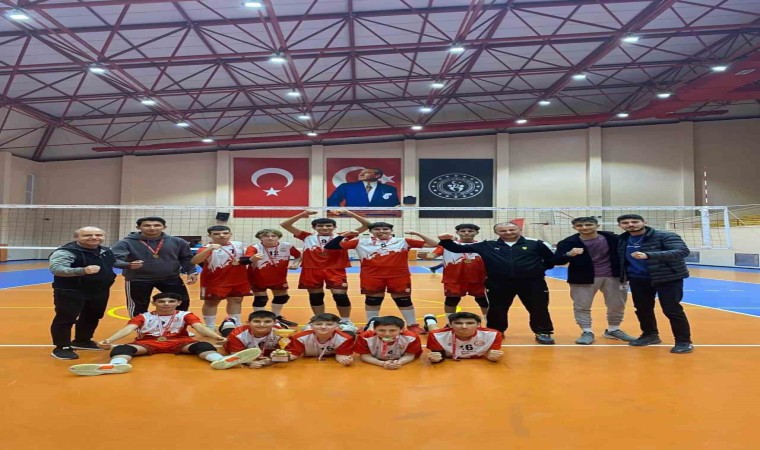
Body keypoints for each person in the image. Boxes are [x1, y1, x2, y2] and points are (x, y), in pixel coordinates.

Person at [68, 293, 261, 376]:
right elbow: (128, 330)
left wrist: (216, 336)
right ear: (155, 304)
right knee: (123, 349)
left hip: (180, 342)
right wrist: (109, 340)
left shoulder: (185, 315)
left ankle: (221, 361)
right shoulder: (143, 316)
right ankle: (115, 366)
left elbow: (198, 327)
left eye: (171, 301)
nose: (166, 304)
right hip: (148, 343)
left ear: (177, 303)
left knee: (203, 346)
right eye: (162, 302)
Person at [438, 221, 556, 344]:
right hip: (498, 283)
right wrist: (445, 240)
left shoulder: (535, 244)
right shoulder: (488, 245)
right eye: (503, 231)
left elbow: (551, 259)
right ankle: (496, 332)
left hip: (532, 282)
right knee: (497, 309)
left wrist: (538, 269)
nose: (508, 232)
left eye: (512, 230)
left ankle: (543, 332)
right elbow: (458, 249)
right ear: (496, 232)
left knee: (538, 307)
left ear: (519, 230)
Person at [324, 223, 427, 334]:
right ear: (370, 231)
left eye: (385, 229)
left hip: (398, 276)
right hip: (371, 276)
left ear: (391, 231)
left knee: (404, 301)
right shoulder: (360, 242)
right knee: (373, 301)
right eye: (377, 229)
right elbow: (330, 246)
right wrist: (345, 235)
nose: (381, 231)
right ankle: (371, 325)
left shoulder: (402, 241)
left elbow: (434, 244)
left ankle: (412, 325)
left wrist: (417, 233)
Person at [48, 227, 131, 360]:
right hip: (71, 291)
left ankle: (82, 341)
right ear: (76, 237)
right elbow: (57, 269)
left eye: (98, 235)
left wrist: (128, 265)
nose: (94, 237)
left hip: (99, 290)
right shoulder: (66, 252)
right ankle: (61, 347)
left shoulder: (105, 251)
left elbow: (112, 262)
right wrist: (83, 270)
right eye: (87, 235)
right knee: (65, 318)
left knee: (93, 316)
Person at [616, 214, 693, 354]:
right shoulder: (622, 239)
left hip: (667, 277)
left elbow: (682, 251)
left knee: (672, 309)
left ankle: (684, 341)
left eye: (634, 221)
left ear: (644, 222)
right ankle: (650, 335)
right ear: (620, 225)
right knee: (642, 309)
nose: (630, 225)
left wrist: (649, 255)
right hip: (638, 278)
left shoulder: (665, 235)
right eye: (625, 223)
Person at [279, 209, 370, 323]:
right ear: (314, 227)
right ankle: (319, 320)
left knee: (340, 296)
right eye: (320, 226)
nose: (325, 228)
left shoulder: (344, 236)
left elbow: (367, 225)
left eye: (328, 225)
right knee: (316, 296)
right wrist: (303, 214)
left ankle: (346, 321)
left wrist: (349, 213)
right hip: (311, 269)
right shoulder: (306, 236)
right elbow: (285, 225)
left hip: (335, 269)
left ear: (334, 227)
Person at [555, 217, 634, 345]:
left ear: (597, 226)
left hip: (614, 276)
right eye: (580, 225)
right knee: (582, 306)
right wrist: (569, 254)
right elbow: (557, 260)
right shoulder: (568, 243)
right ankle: (587, 331)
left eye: (588, 224)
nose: (584, 227)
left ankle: (613, 329)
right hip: (582, 277)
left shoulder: (613, 238)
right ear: (574, 228)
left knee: (617, 305)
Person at [111, 217, 197, 317]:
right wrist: (128, 264)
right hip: (138, 279)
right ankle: (140, 326)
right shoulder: (126, 242)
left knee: (182, 302)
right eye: (147, 225)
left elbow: (186, 258)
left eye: (157, 225)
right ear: (138, 227)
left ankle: (175, 325)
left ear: (164, 227)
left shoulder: (178, 241)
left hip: (170, 278)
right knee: (138, 307)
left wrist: (191, 271)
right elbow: (113, 259)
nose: (152, 228)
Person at [190, 225, 251, 328]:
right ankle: (210, 326)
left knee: (236, 300)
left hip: (238, 279)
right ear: (210, 236)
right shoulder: (206, 248)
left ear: (230, 234)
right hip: (215, 281)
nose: (222, 235)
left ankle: (236, 324)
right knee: (211, 302)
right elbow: (194, 261)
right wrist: (209, 249)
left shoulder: (239, 245)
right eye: (216, 234)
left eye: (225, 233)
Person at [424, 224, 488, 317]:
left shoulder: (485, 245)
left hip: (479, 279)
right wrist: (426, 256)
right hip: (454, 279)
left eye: (470, 231)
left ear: (477, 232)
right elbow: (432, 256)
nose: (466, 233)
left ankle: (489, 321)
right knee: (451, 301)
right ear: (457, 232)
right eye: (463, 231)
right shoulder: (447, 245)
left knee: (483, 301)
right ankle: (449, 322)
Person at [244, 229, 301, 327]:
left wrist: (296, 264)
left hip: (278, 277)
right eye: (266, 236)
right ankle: (260, 319)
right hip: (258, 277)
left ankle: (276, 318)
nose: (270, 238)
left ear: (278, 237)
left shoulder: (287, 246)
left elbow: (299, 256)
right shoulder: (254, 247)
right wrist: (252, 259)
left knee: (282, 297)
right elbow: (245, 259)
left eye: (273, 236)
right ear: (260, 238)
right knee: (261, 299)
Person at [426, 312, 503, 363]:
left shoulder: (494, 335)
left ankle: (430, 320)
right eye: (458, 323)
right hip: (442, 332)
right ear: (450, 325)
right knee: (434, 330)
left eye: (470, 323)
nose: (464, 326)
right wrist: (435, 357)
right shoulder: (435, 335)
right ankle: (430, 321)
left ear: (478, 324)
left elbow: (492, 352)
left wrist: (492, 355)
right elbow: (439, 355)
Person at [355, 316, 422, 369]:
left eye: (392, 330)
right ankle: (370, 323)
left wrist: (399, 363)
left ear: (402, 330)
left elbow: (409, 355)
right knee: (368, 330)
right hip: (371, 333)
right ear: (374, 329)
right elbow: (365, 355)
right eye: (382, 330)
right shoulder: (365, 337)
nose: (387, 334)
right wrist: (381, 363)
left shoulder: (411, 338)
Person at [286, 313, 355, 365]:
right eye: (318, 324)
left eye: (329, 324)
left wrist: (345, 360)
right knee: (306, 330)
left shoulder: (345, 339)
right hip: (308, 332)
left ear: (337, 326)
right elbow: (294, 354)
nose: (323, 327)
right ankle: (307, 327)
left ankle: (347, 326)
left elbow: (340, 356)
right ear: (312, 326)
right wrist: (282, 357)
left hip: (342, 332)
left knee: (350, 332)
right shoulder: (300, 338)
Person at [326, 168, 400, 207]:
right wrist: (335, 208)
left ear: (377, 175)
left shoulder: (389, 189)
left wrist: (397, 207)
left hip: (381, 218)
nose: (361, 174)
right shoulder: (346, 187)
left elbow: (395, 205)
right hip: (352, 217)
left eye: (366, 172)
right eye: (361, 173)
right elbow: (333, 200)